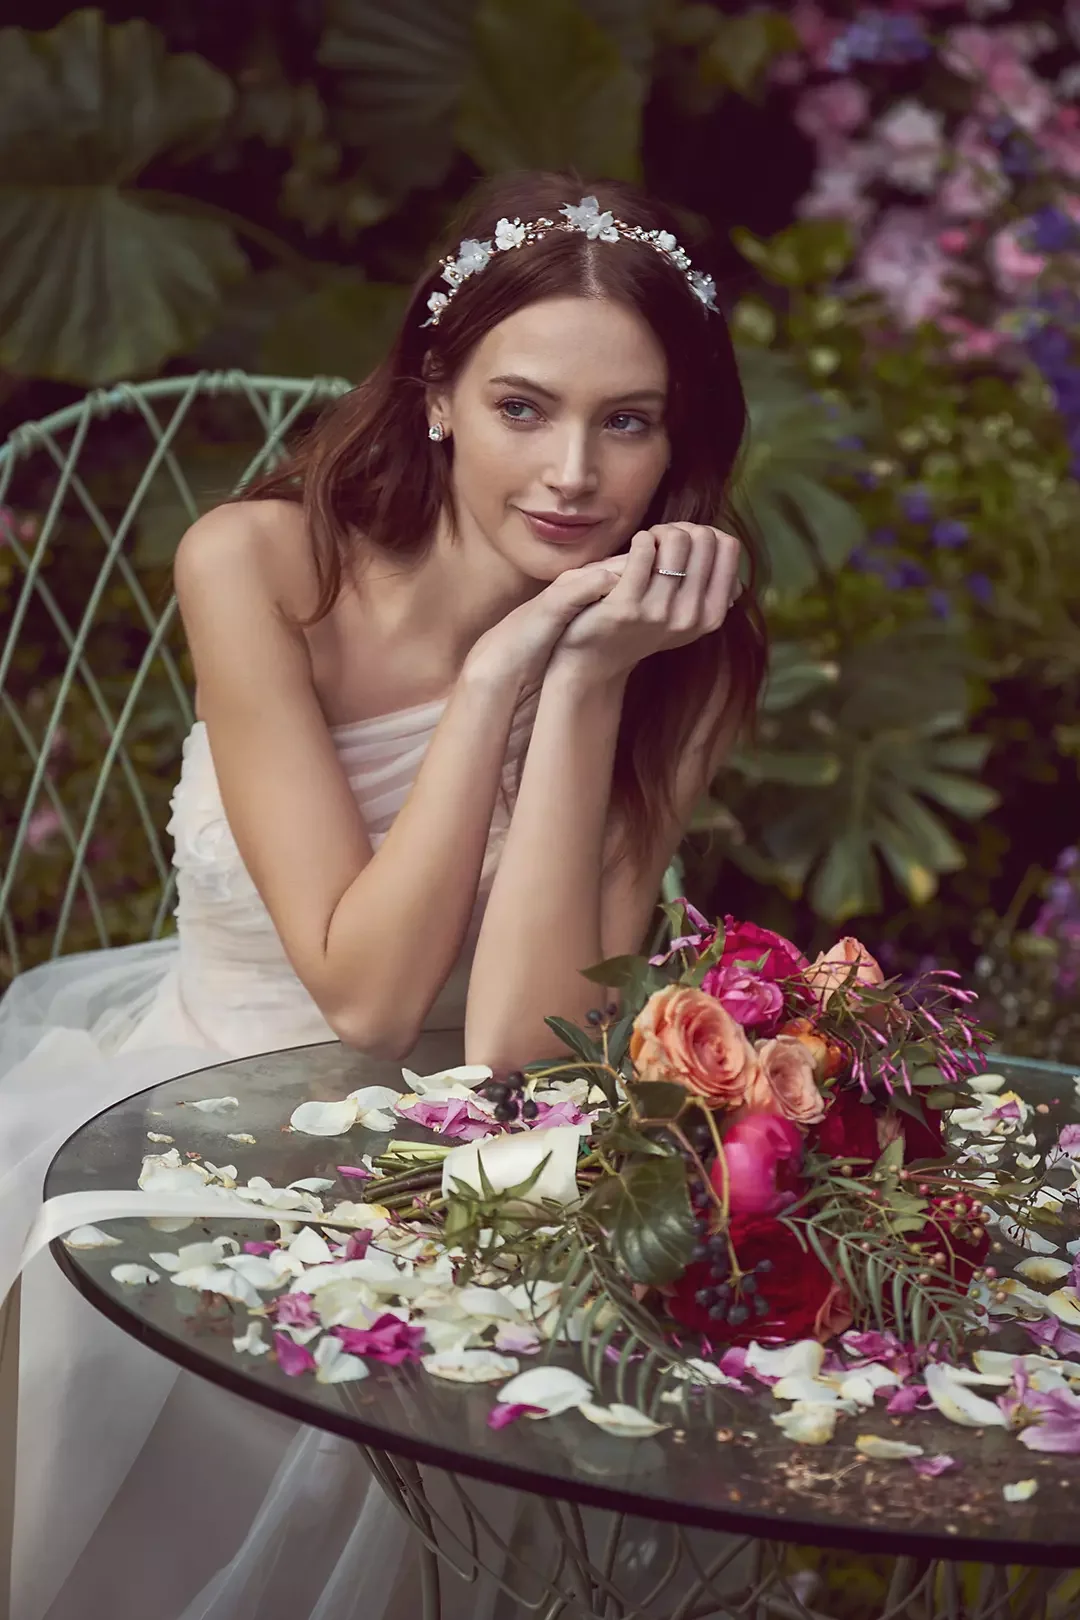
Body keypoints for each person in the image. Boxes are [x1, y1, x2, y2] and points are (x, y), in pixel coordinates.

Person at [0, 170, 766, 1620]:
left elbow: (521, 1058)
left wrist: (585, 680)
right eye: (521, 407)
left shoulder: (669, 651)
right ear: (435, 395)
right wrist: (494, 678)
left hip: (467, 1161)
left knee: (573, 1382)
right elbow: (361, 990)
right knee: (180, 1354)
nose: (572, 478)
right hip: (192, 1108)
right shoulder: (261, 561)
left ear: (677, 444)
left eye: (628, 422)